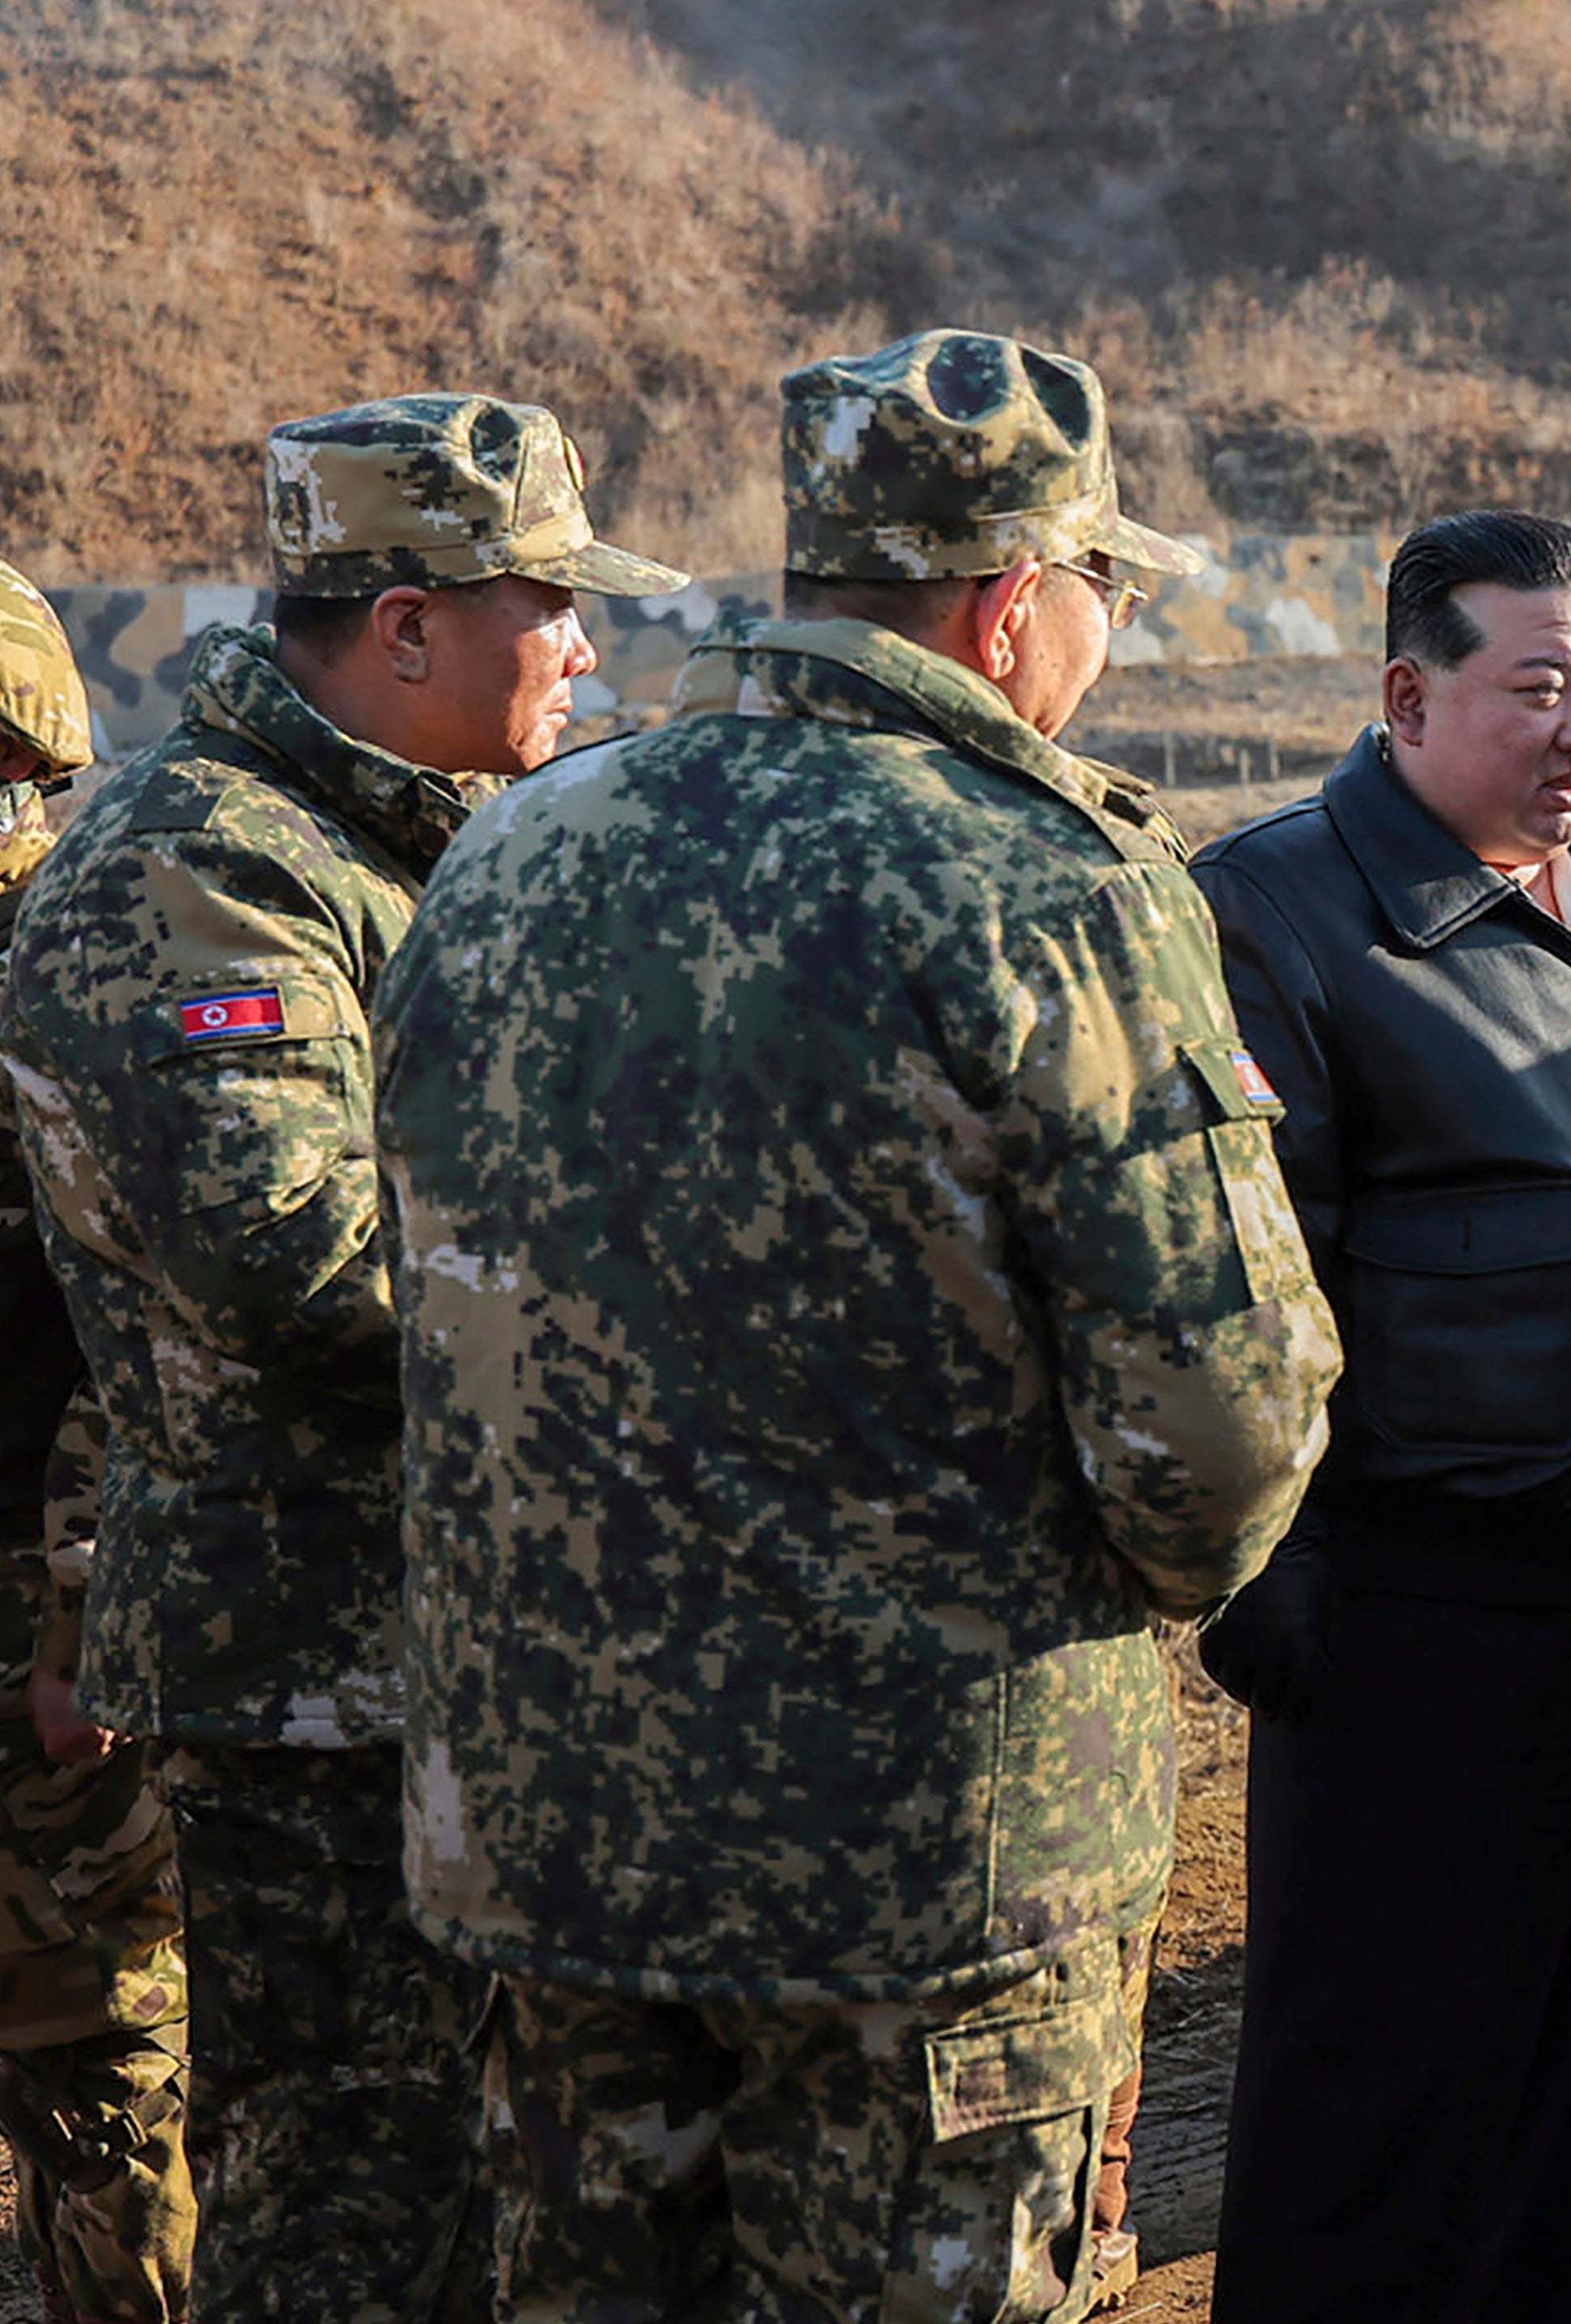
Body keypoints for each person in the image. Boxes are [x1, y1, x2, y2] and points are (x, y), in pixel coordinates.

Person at [370, 331, 1336, 2320]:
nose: (1107, 637)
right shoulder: (1048, 883)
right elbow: (1216, 1427)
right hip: (926, 1866)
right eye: (1103, 592)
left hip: (554, 1838)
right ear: (1007, 609)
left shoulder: (511, 848)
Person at [0, 394, 685, 2322]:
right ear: (407, 625)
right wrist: (674, 1301)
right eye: (549, 607)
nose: (582, 648)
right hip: (322, 1675)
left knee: (511, 2190)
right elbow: (296, 1254)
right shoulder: (201, 862)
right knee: (352, 2218)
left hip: (470, 1643)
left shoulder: (421, 835)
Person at [1191, 511, 1571, 2324]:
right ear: (1406, 694)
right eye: (1534, 686)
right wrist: (1270, 1576)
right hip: (1428, 1631)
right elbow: (1241, 1288)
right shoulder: (1284, 916)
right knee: (1389, 2097)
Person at [0, 546, 195, 2324]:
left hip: (24, 1615)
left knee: (98, 2065)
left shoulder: (62, 955)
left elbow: (143, 1309)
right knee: (3, 2048)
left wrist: (93, 1601)